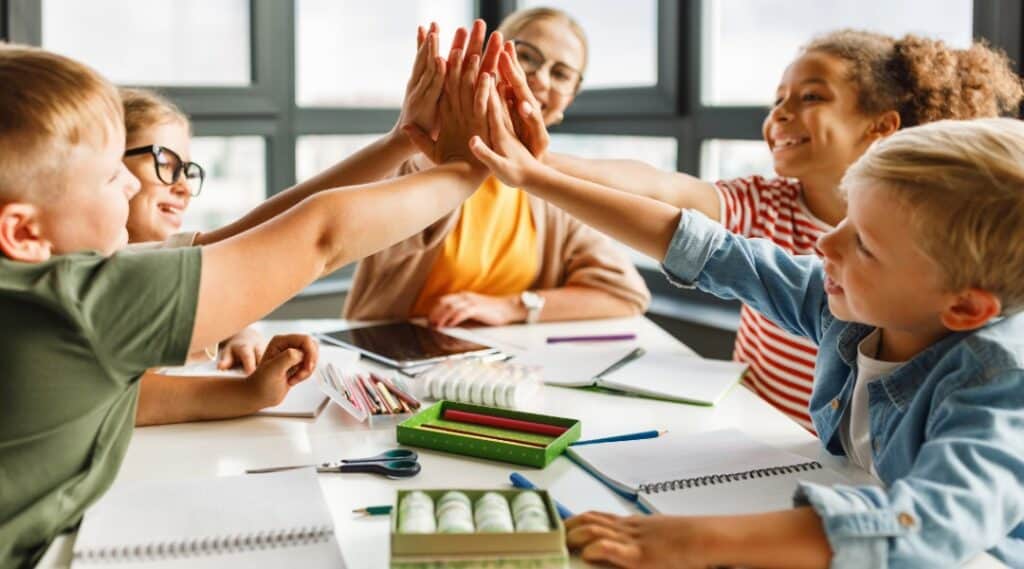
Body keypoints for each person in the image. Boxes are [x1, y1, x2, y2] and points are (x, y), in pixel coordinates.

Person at [469, 56, 1024, 566]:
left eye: (866, 246)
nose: (826, 246)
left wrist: (690, 539)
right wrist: (535, 178)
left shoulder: (998, 383)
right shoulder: (852, 308)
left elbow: (929, 528)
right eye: (844, 221)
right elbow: (706, 248)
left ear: (966, 307)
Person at [0, 32, 492, 565]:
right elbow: (319, 237)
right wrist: (468, 167)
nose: (124, 185)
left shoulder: (35, 288)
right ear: (24, 232)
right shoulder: (81, 299)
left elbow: (231, 246)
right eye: (109, 173)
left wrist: (404, 140)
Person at [539, 30, 1024, 430]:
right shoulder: (762, 202)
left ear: (881, 126)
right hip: (749, 429)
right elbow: (664, 191)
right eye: (778, 100)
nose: (780, 114)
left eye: (811, 96)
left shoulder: (927, 260)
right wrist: (537, 163)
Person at [344, 11, 650, 328]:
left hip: (494, 368)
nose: (540, 79)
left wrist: (513, 307)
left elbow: (626, 293)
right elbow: (345, 234)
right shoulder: (422, 158)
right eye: (527, 57)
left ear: (568, 101)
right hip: (391, 361)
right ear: (490, 58)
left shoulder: (551, 190)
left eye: (560, 74)